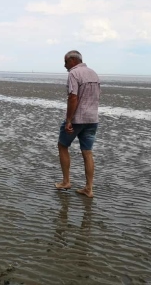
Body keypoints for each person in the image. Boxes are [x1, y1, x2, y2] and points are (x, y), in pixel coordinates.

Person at [55, 50, 100, 198]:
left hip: (78, 119)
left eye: (66, 62)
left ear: (73, 60)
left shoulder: (74, 73)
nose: (64, 65)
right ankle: (89, 188)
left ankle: (66, 181)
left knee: (62, 145)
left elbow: (73, 97)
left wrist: (69, 120)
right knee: (87, 152)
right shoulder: (93, 73)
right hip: (92, 118)